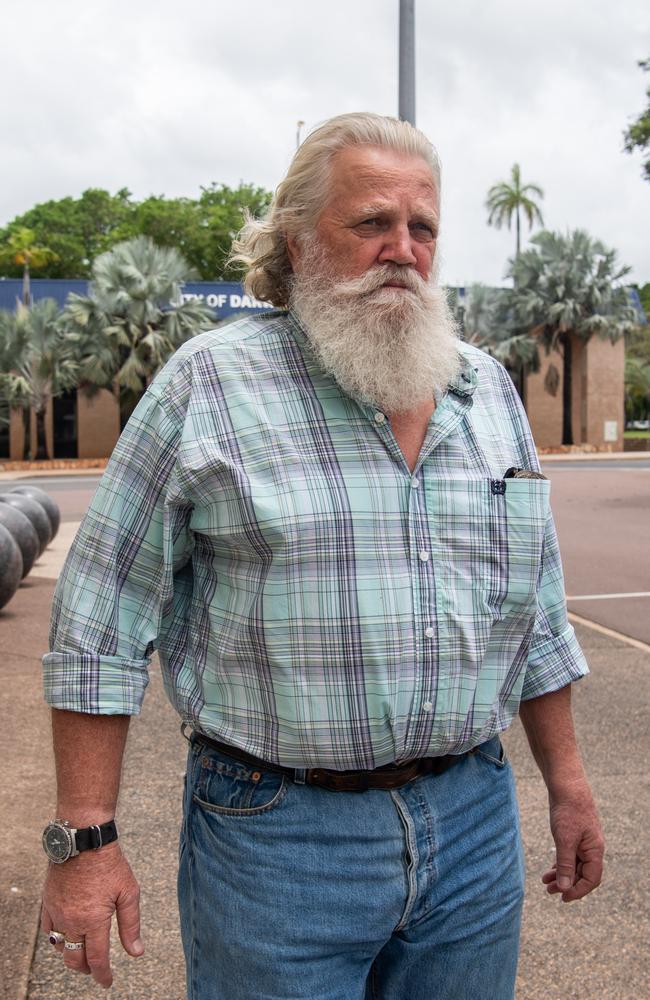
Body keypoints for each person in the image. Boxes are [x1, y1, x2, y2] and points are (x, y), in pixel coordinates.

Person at [40, 112, 604, 1000]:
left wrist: (567, 785)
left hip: (473, 824)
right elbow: (98, 623)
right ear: (299, 242)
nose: (402, 250)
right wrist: (85, 839)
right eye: (371, 223)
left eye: (422, 228)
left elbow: (534, 610)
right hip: (276, 839)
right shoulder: (210, 385)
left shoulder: (485, 389)